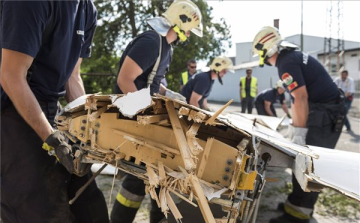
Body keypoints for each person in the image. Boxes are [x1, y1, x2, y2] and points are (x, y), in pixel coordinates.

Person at [0, 1, 109, 223]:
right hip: (12, 107)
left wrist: (88, 129)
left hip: (53, 107)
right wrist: (52, 139)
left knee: (91, 209)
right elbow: (11, 75)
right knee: (40, 212)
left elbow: (72, 77)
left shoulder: (87, 9)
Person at [111, 1, 203, 222]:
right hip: (131, 115)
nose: (189, 35)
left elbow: (153, 81)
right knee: (146, 172)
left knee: (160, 172)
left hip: (144, 114)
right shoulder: (151, 42)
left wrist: (169, 94)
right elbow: (125, 80)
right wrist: (144, 117)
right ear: (181, 24)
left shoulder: (166, 48)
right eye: (190, 29)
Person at [252, 26, 346, 223]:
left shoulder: (285, 62)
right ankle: (295, 206)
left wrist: (300, 134)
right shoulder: (292, 57)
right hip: (325, 112)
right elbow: (297, 101)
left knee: (309, 165)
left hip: (325, 115)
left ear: (266, 49)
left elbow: (300, 98)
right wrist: (295, 126)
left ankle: (298, 216)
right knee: (304, 163)